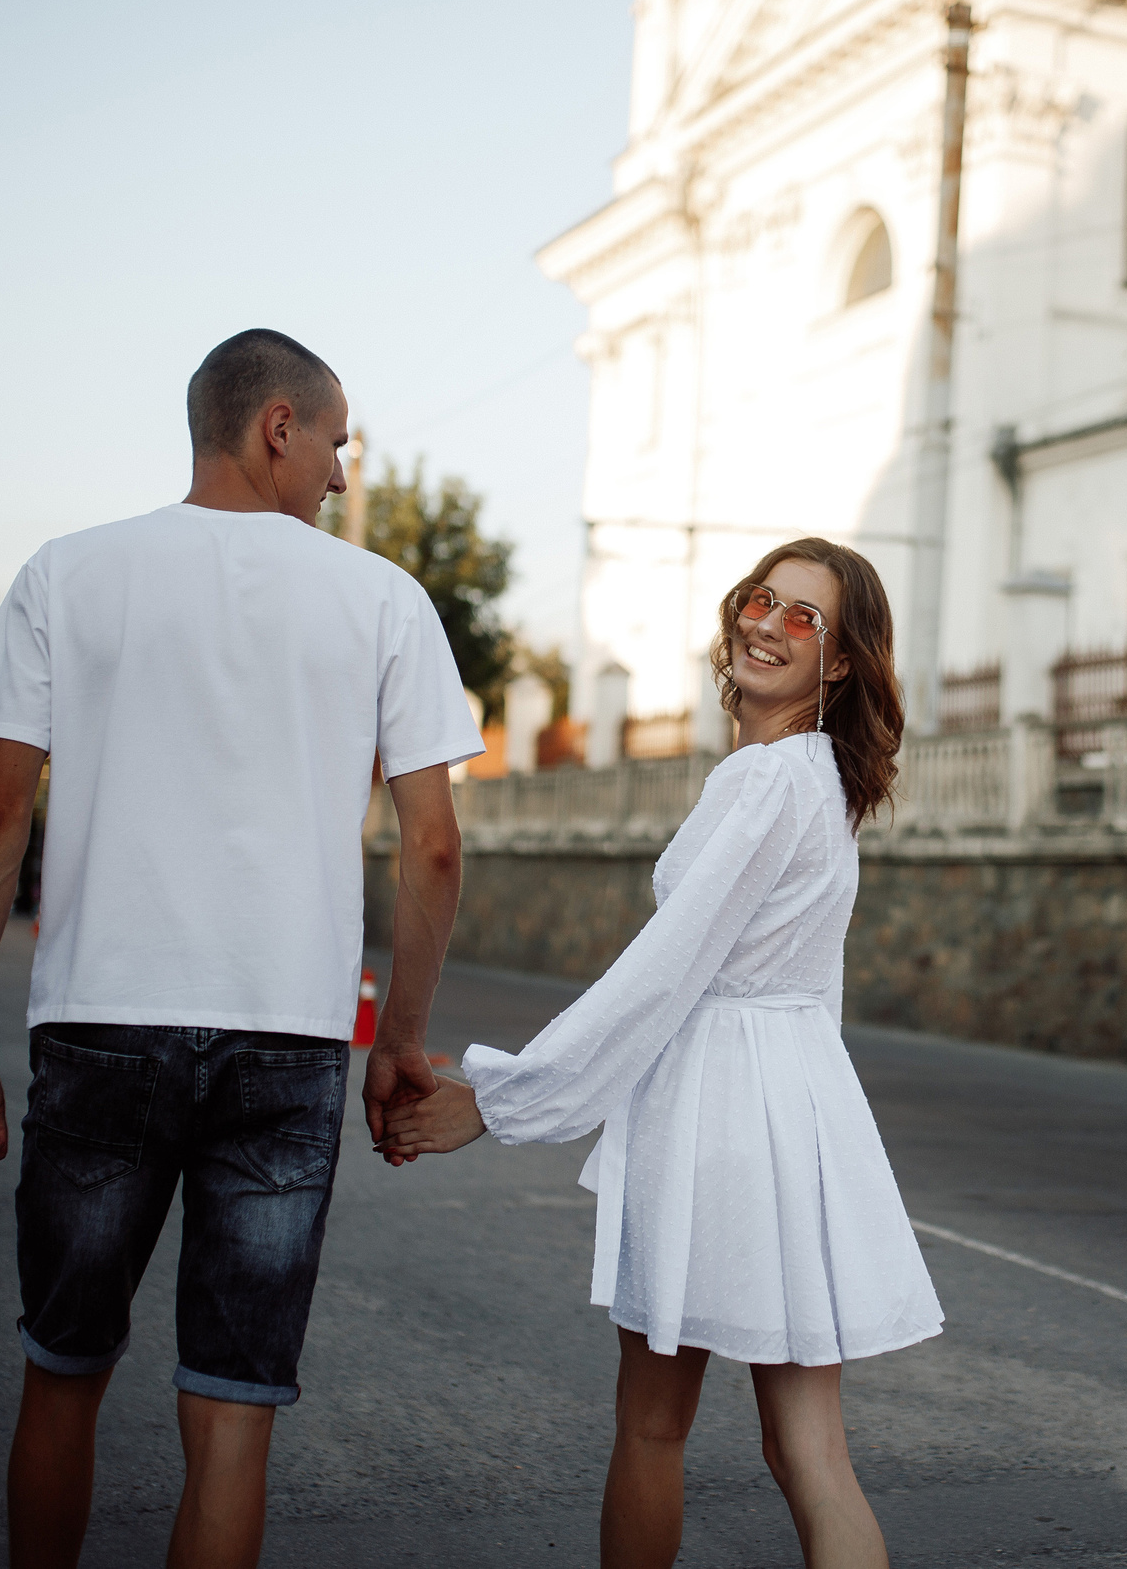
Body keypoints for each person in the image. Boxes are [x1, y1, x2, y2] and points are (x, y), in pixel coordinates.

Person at [0, 328, 484, 1569]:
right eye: (336, 441)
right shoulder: (383, 599)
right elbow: (434, 847)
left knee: (62, 1374)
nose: (342, 474)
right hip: (286, 1043)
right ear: (276, 426)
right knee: (232, 1417)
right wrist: (398, 1045)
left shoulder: (68, 575)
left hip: (97, 1024)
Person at [387, 537, 942, 1569]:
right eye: (761, 600)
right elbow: (802, 982)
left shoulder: (769, 782)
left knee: (653, 1426)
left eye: (803, 617)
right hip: (792, 1110)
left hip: (720, 1119)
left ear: (839, 664)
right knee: (810, 1449)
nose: (767, 624)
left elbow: (664, 973)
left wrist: (503, 1100)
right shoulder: (815, 781)